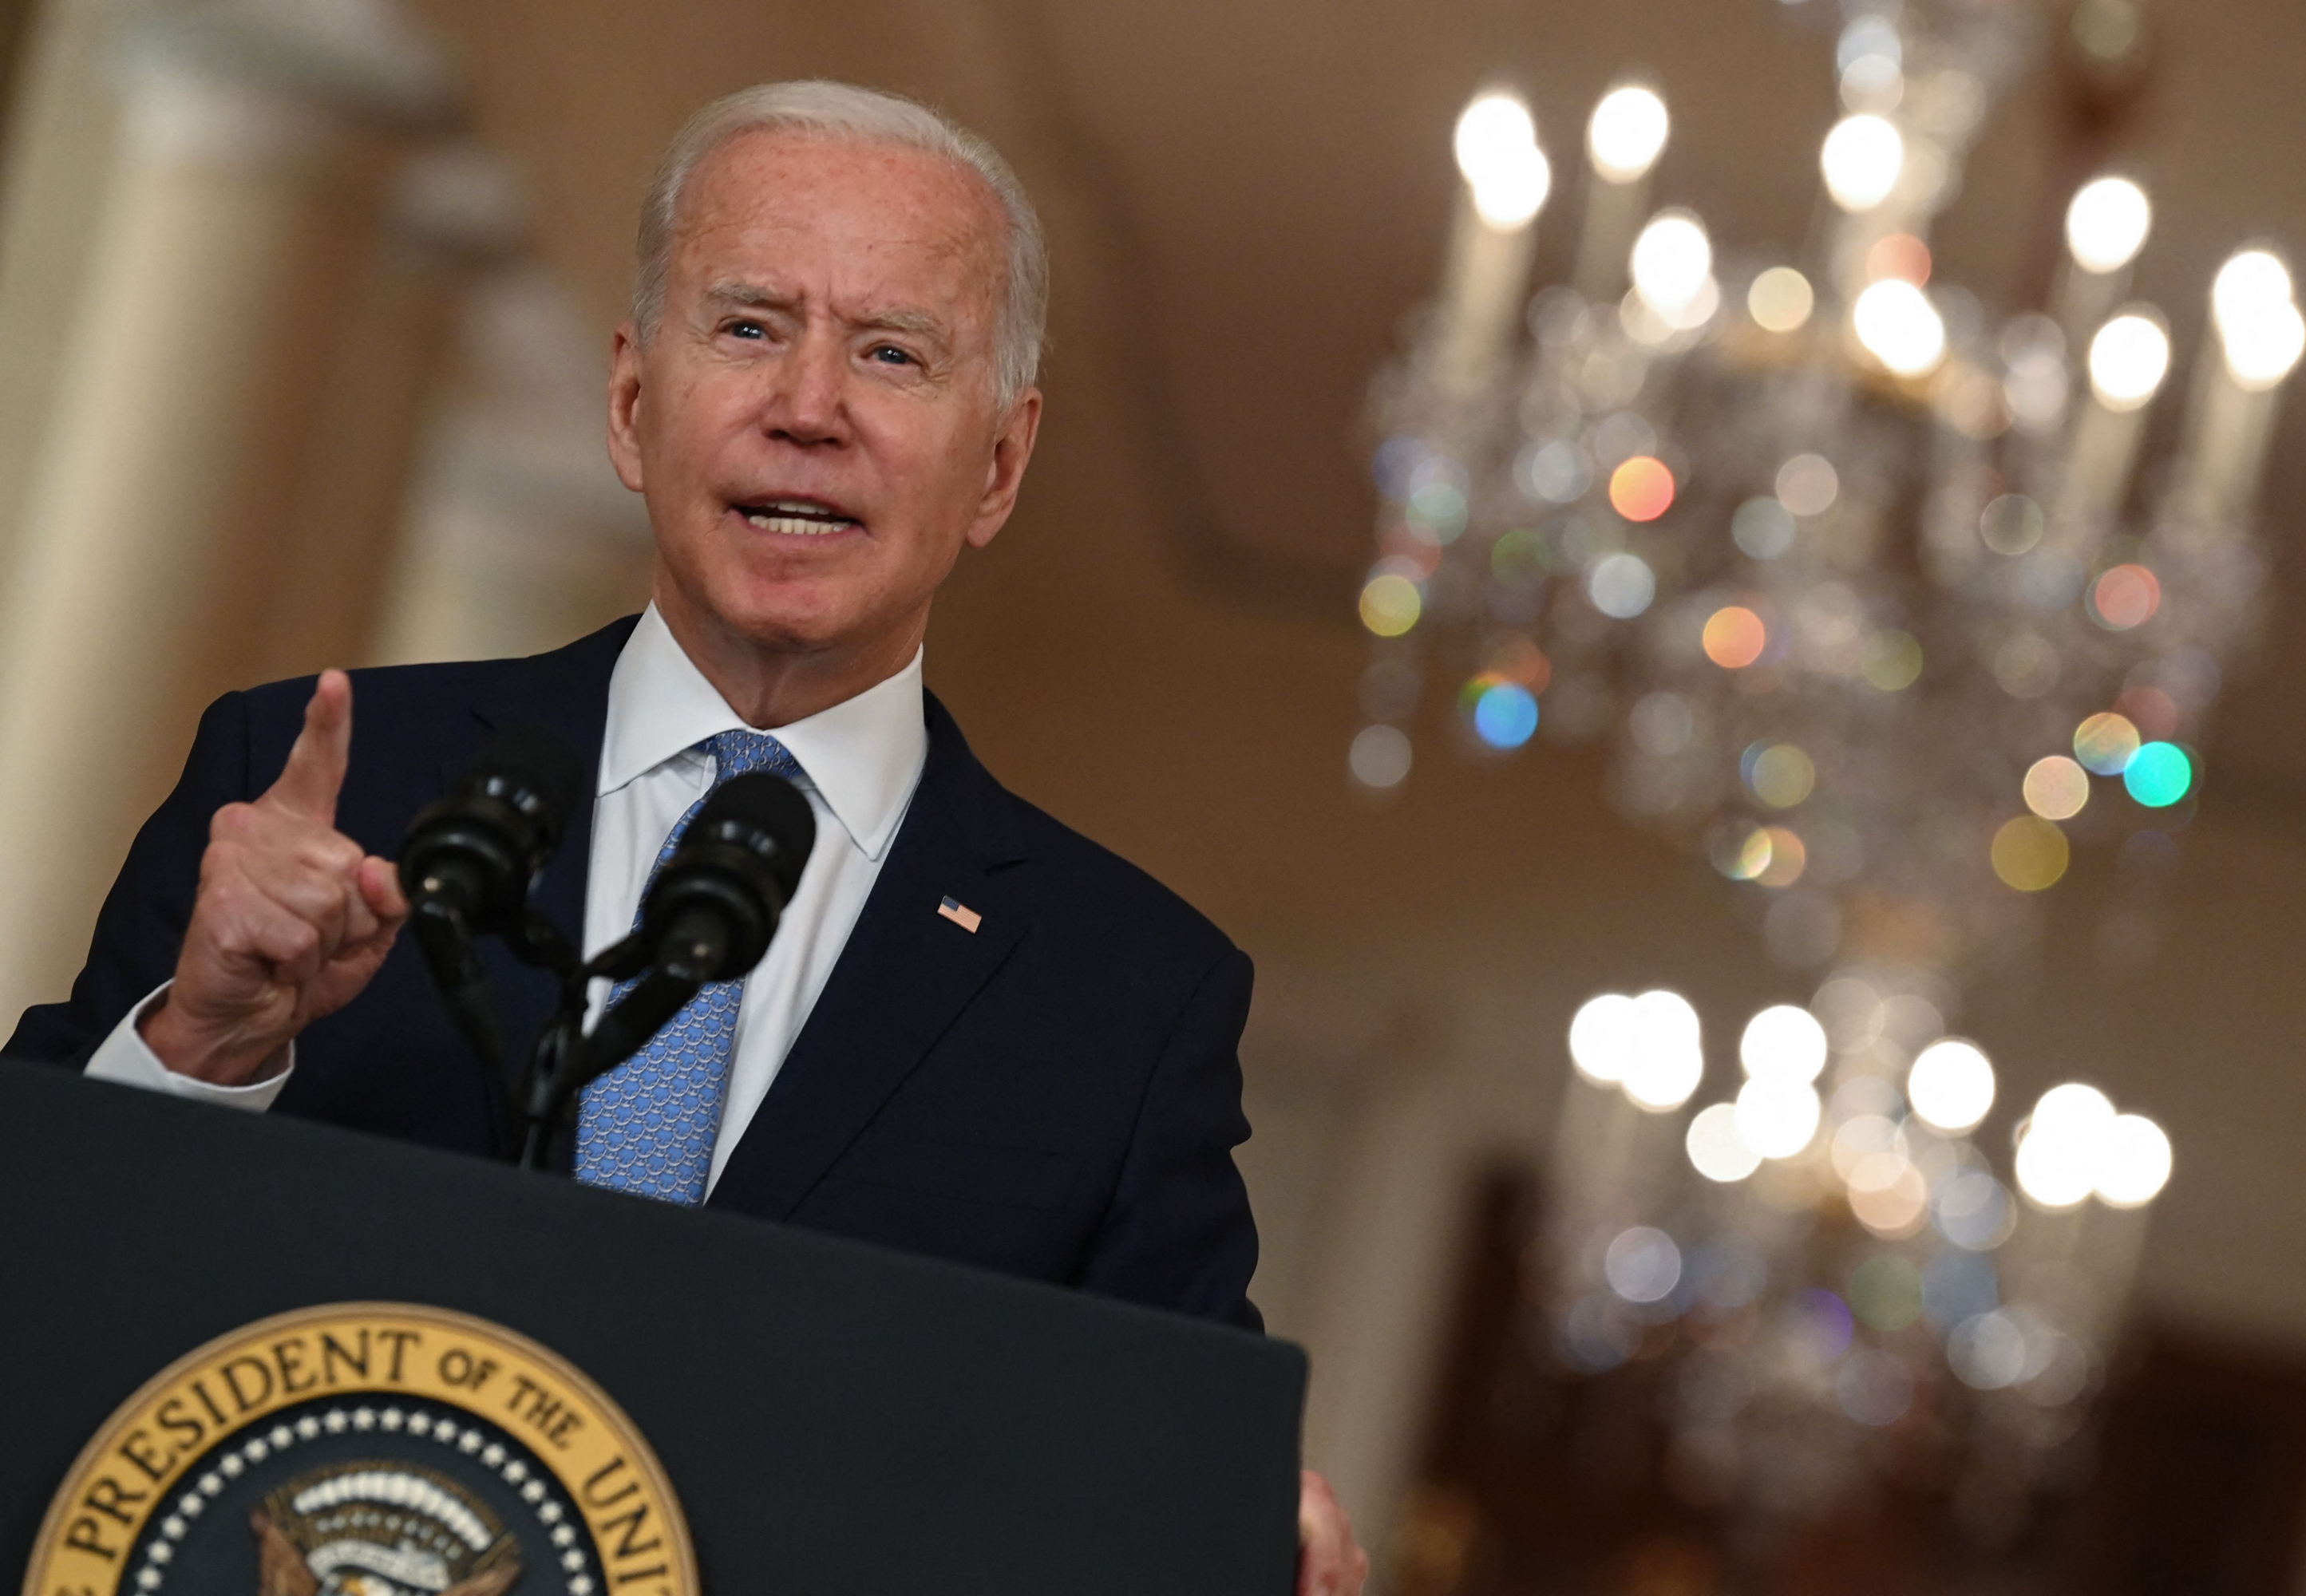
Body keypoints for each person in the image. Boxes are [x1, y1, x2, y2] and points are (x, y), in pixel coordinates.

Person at [4, 81, 1367, 1594]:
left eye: (894, 354)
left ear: (996, 465)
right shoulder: (318, 782)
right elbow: (39, 1283)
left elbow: (1162, 1469)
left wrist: (1249, 1539)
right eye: (744, 327)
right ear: (631, 402)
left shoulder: (1125, 1000)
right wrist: (204, 1040)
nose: (809, 406)